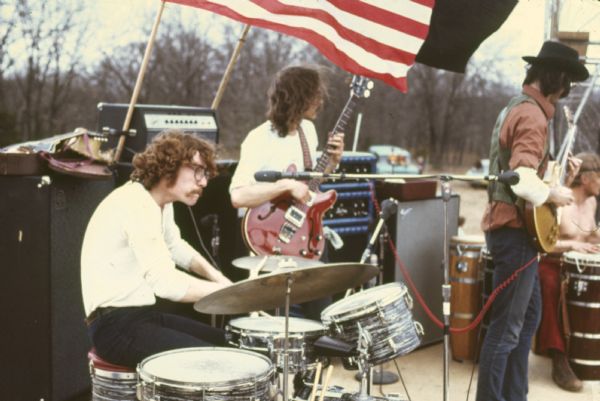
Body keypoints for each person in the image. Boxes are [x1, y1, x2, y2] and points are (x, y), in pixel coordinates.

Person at [478, 40, 589, 401]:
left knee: (527, 321)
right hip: (513, 234)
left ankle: (514, 395)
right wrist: (553, 194)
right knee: (506, 330)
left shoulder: (523, 107)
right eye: (567, 82)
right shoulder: (532, 115)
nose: (566, 92)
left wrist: (561, 183)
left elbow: (527, 177)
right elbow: (521, 176)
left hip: (515, 231)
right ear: (556, 78)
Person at [81, 130, 232, 368]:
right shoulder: (136, 203)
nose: (203, 181)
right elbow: (165, 283)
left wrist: (220, 279)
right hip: (114, 327)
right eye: (198, 171)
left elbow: (176, 247)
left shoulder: (159, 202)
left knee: (228, 344)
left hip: (139, 317)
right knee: (213, 363)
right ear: (170, 165)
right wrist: (227, 295)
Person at [229, 65, 344, 320]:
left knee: (321, 308)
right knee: (276, 316)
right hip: (270, 236)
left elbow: (309, 184)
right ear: (299, 96)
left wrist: (332, 162)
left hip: (306, 231)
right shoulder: (259, 138)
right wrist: (283, 185)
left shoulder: (308, 131)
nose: (321, 101)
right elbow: (237, 196)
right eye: (315, 94)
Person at [537, 152, 600, 392]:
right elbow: (544, 243)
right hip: (552, 263)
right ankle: (559, 358)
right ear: (586, 179)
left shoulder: (592, 202)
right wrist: (572, 245)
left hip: (579, 267)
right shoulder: (561, 201)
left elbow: (590, 234)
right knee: (551, 286)